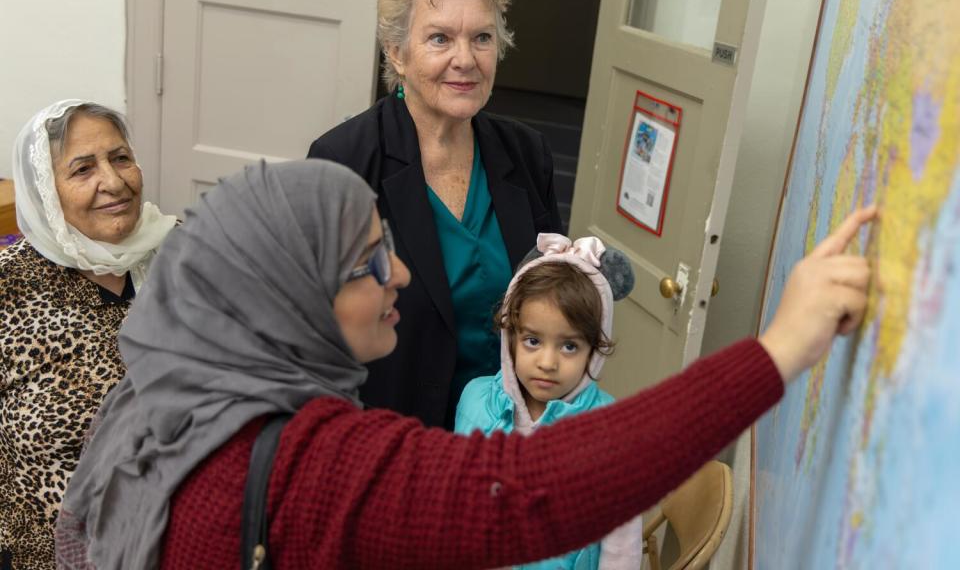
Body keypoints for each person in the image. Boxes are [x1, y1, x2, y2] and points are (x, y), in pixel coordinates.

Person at [57, 159, 874, 570]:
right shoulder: (303, 464)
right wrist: (780, 348)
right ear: (289, 296)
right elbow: (529, 492)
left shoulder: (163, 402)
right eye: (372, 262)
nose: (402, 275)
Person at [307, 0, 563, 427]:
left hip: (503, 435)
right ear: (397, 54)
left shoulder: (528, 156)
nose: (465, 59)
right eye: (440, 39)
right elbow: (315, 335)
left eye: (482, 38)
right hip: (390, 436)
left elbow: (552, 307)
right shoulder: (343, 161)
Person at [0, 100, 176, 570]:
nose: (114, 182)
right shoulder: (8, 290)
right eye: (82, 169)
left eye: (120, 158)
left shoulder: (188, 256)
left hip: (185, 542)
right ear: (43, 190)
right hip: (51, 555)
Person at [455, 234, 643, 569]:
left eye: (569, 346)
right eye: (532, 340)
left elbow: (622, 545)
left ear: (594, 350)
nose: (547, 362)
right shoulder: (474, 403)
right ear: (509, 336)